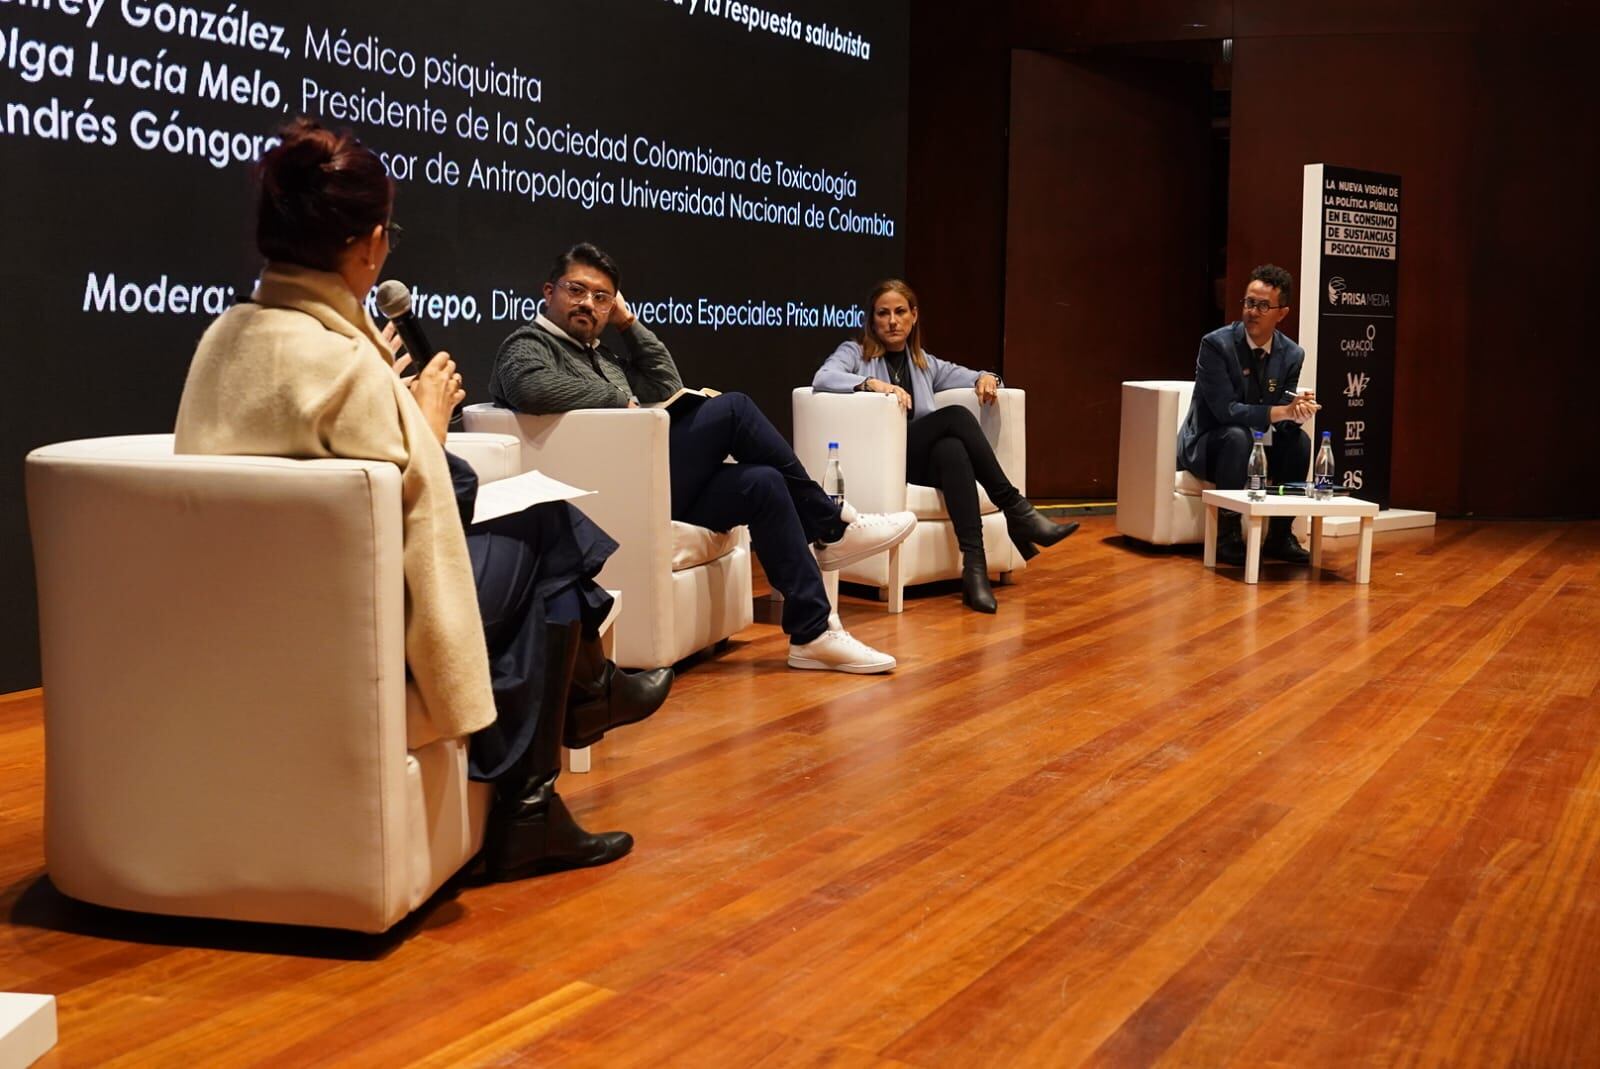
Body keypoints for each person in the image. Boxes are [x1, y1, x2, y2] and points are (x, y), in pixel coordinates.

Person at [174, 118, 671, 883]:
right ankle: (546, 771)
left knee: (546, 535)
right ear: (370, 245)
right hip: (361, 622)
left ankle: (579, 718)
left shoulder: (224, 339)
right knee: (546, 532)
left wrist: (402, 413)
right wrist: (428, 423)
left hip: (248, 621)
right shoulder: (342, 364)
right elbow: (432, 501)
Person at [488, 244, 917, 673]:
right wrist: (621, 400)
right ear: (549, 291)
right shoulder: (528, 343)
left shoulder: (599, 354)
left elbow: (667, 382)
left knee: (763, 483)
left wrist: (628, 323)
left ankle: (813, 633)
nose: (588, 304)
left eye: (602, 298)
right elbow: (530, 388)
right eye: (576, 291)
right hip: (607, 493)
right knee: (734, 410)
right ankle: (830, 523)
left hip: (650, 479)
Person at [812, 280, 1077, 613]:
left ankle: (975, 569)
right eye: (883, 314)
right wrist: (870, 384)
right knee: (954, 417)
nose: (892, 321)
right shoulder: (855, 353)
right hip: (884, 459)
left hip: (920, 460)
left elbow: (974, 375)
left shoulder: (924, 363)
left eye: (900, 312)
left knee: (952, 450)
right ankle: (1016, 510)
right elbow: (823, 378)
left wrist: (987, 378)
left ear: (913, 316)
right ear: (872, 319)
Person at [1177, 264, 1321, 565]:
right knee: (1237, 436)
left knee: (1299, 444)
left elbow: (1283, 412)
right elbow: (1224, 411)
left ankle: (1280, 536)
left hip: (1253, 443)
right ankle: (1227, 535)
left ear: (1281, 313)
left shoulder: (1292, 354)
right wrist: (1281, 411)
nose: (1252, 312)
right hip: (1207, 443)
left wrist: (1296, 414)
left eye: (1262, 306)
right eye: (1249, 303)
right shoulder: (1216, 345)